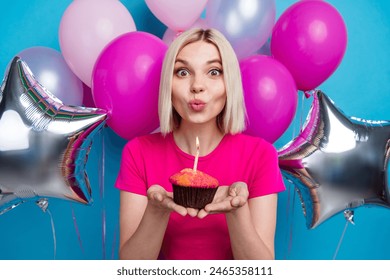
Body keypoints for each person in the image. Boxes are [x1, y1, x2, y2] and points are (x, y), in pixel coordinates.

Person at [115, 28, 285, 260]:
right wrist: (156, 211)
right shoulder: (138, 152)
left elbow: (262, 270)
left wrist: (236, 211)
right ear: (168, 84)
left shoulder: (261, 155)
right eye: (183, 72)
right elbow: (130, 268)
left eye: (214, 72)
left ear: (230, 85)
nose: (197, 86)